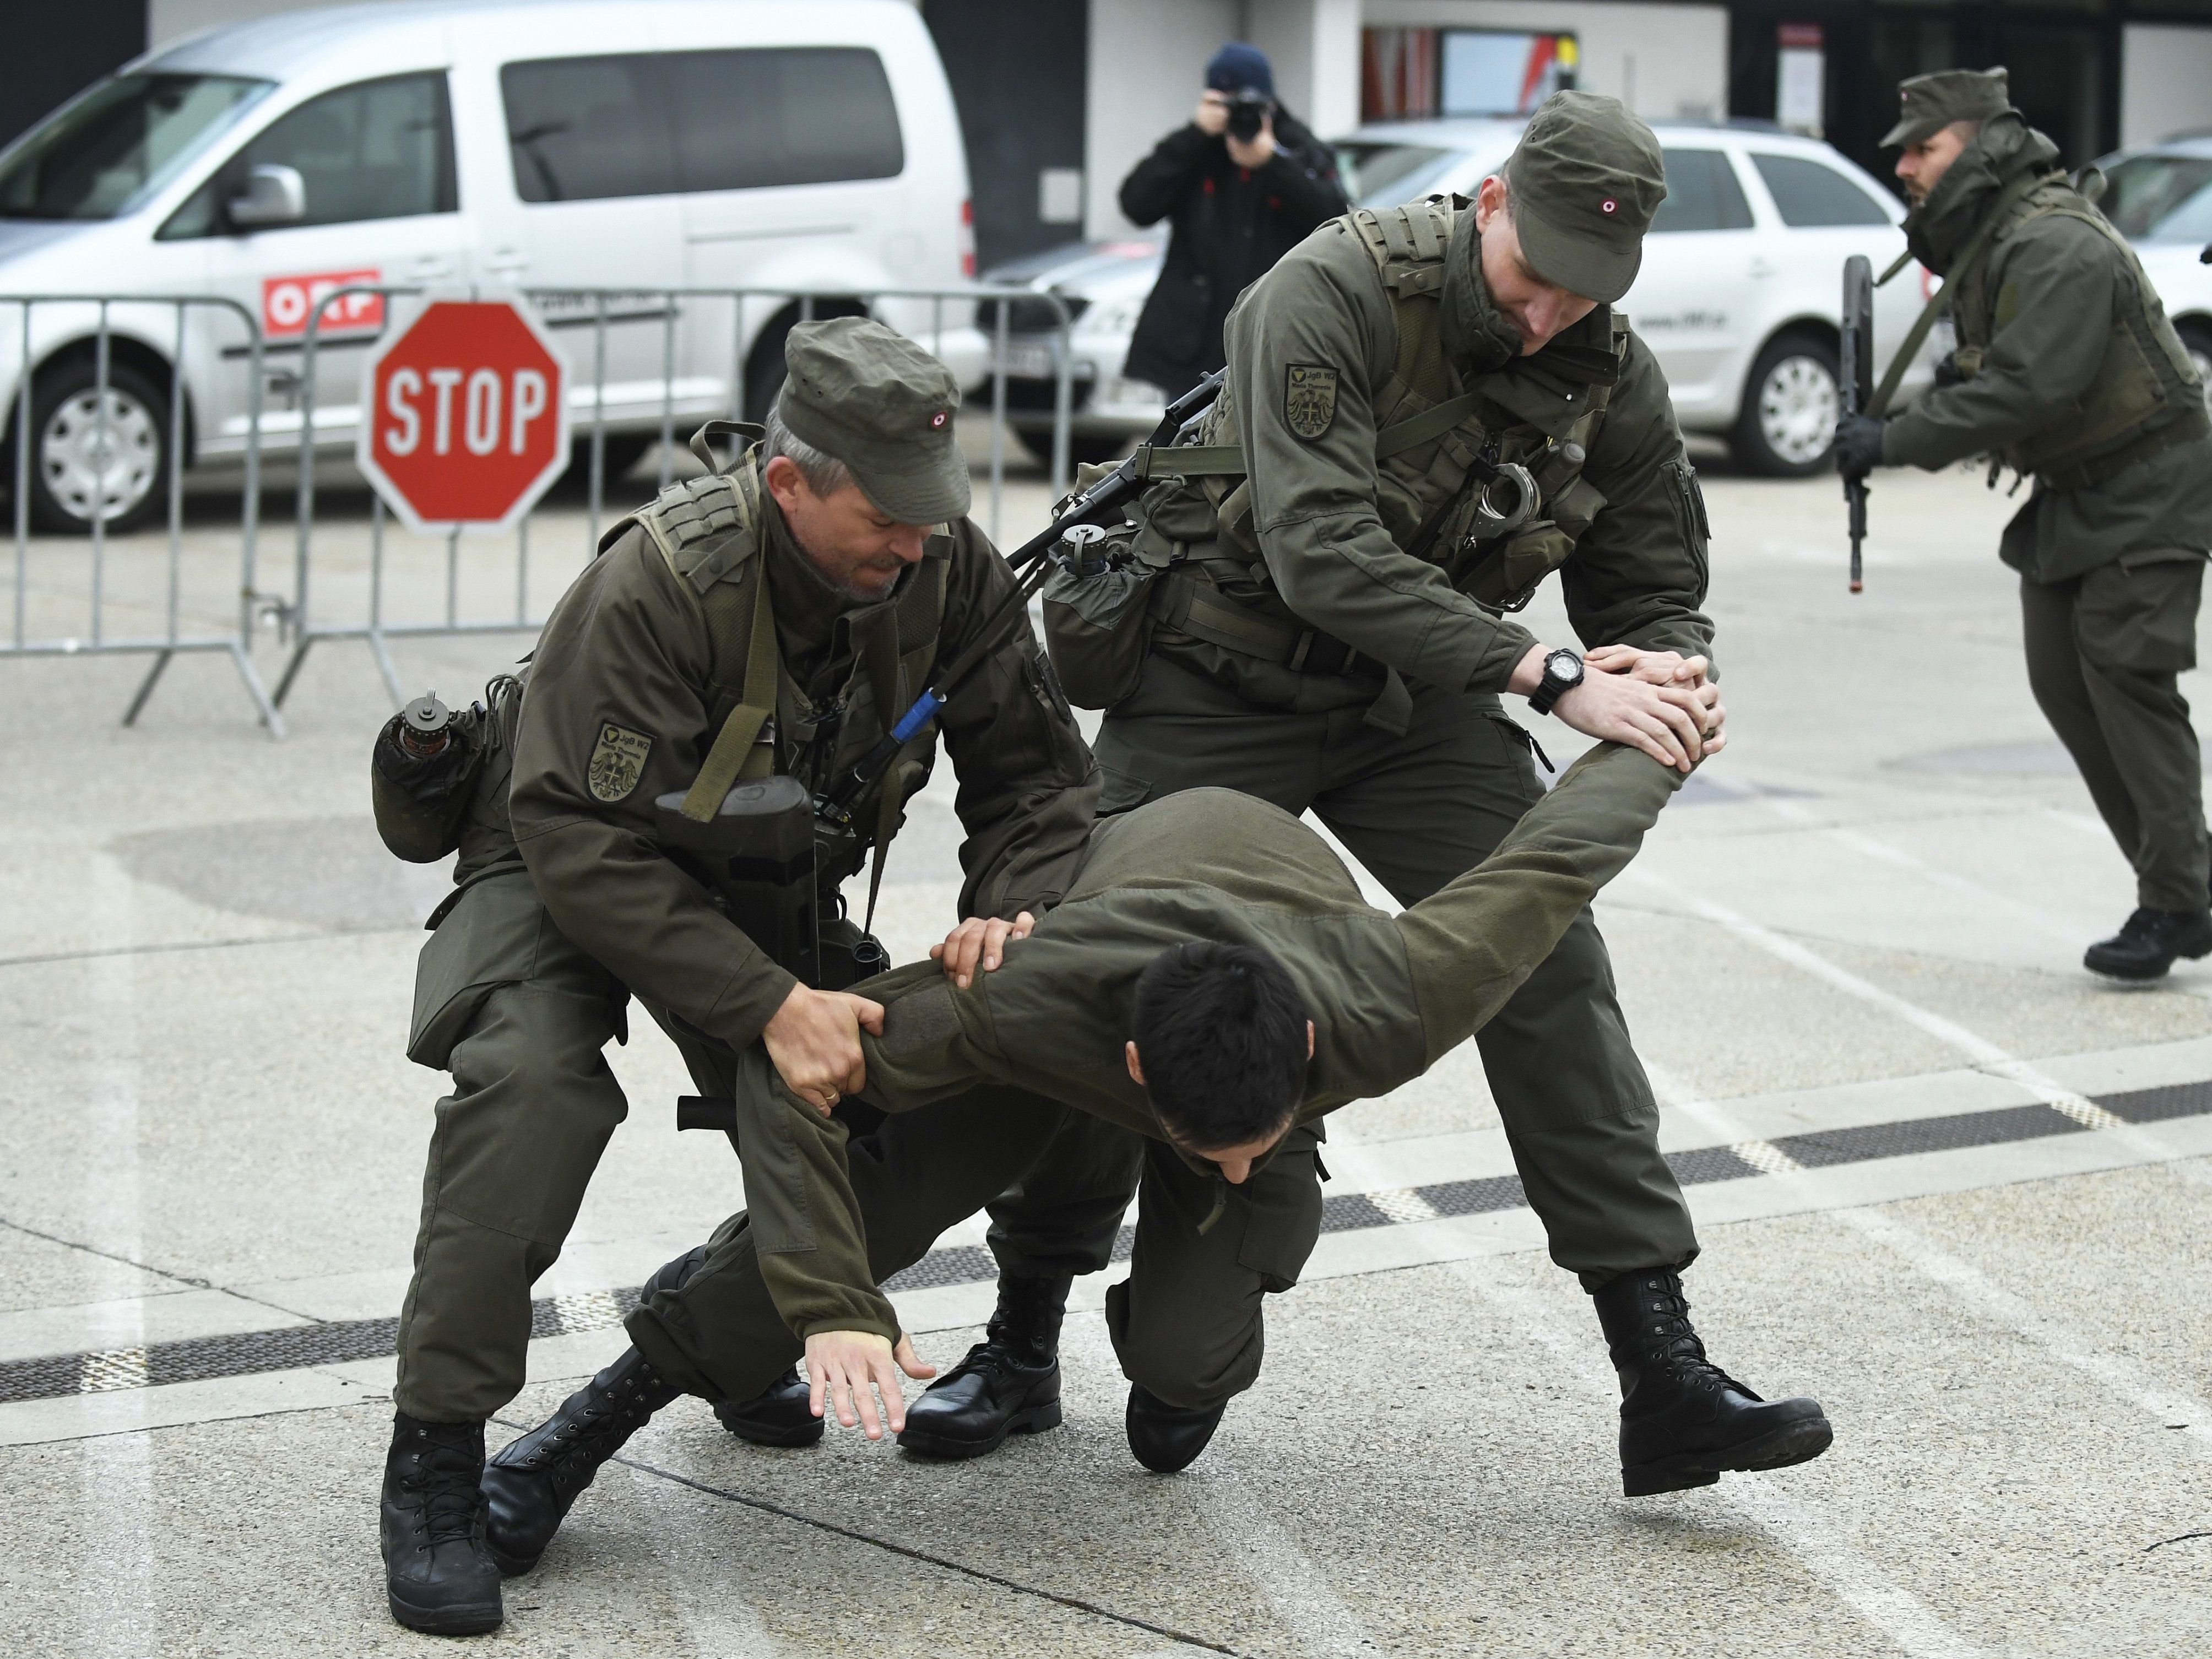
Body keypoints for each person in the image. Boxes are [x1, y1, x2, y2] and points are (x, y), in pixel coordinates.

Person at [474, 738, 1834, 1585]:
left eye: (1257, 1141)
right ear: (1137, 1081)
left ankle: (1137, 1342)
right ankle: (584, 1427)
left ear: (1310, 1052)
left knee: (1185, 1367)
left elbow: (1548, 862)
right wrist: (834, 1298)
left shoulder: (1391, 990)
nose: (1233, 1167)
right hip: (1090, 971)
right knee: (865, 1208)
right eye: (1208, 1148)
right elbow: (794, 1070)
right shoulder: (1019, 996)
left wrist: (1657, 733)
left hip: (1247, 944)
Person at [372, 319, 1136, 1637]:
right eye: (884, 517)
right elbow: (578, 839)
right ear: (792, 484)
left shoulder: (938, 565)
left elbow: (1037, 786)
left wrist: (1013, 910)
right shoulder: (664, 583)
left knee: (887, 1109)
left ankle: (740, 1337)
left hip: (755, 870)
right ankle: (437, 1456)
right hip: (559, 862)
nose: (914, 542)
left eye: (931, 513)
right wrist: (766, 1004)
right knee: (535, 1088)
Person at [1047, 86, 1753, 1470]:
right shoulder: (1331, 291)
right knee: (1093, 961)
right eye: (1535, 274)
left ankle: (1657, 1362)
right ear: (1489, 201)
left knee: (1541, 964)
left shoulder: (1605, 361)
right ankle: (1022, 1335)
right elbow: (1320, 550)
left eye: (1588, 288)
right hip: (1217, 677)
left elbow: (1656, 580)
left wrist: (1663, 671)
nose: (1553, 312)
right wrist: (1550, 676)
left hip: (1407, 699)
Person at [1833, 67, 2212, 981]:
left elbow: (2027, 388)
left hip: (2150, 483)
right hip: (2081, 492)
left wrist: (1892, 440)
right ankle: (2185, 874)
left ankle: (2177, 900)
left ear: (1977, 141)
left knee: (2127, 680)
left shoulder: (2052, 240)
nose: (1907, 170)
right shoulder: (1992, 234)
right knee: (2064, 680)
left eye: (1923, 149)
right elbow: (1990, 368)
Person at [1119, 42, 1348, 399]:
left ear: (1270, 102)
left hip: (1270, 333)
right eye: (1226, 104)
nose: (1240, 115)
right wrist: (1195, 136)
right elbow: (1136, 205)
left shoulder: (1297, 147)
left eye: (1248, 105)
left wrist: (1272, 163)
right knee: (1185, 448)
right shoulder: (1196, 149)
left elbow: (1335, 220)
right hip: (1194, 340)